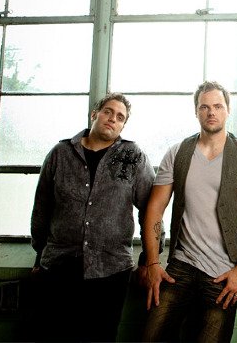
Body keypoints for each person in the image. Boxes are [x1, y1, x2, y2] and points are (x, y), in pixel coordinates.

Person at [142, 81, 237, 343]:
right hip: (180, 266)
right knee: (151, 336)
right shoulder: (177, 152)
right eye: (204, 107)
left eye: (218, 106)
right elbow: (155, 207)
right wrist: (153, 263)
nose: (211, 112)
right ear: (196, 111)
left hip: (223, 273)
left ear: (228, 110)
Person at [30, 92, 155, 342]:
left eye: (120, 117)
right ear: (94, 114)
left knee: (101, 336)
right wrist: (39, 254)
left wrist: (147, 260)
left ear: (123, 126)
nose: (113, 119)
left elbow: (151, 211)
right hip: (59, 266)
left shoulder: (133, 156)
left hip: (111, 270)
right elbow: (42, 207)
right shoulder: (60, 153)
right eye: (108, 112)